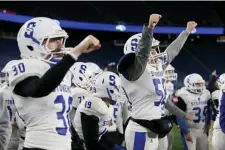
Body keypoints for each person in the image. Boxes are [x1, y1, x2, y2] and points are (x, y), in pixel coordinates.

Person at [4, 17, 100, 150]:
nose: (60, 45)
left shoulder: (62, 72)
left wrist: (76, 144)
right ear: (32, 45)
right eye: (53, 40)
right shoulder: (23, 66)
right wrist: (75, 53)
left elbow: (62, 115)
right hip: (37, 146)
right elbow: (40, 88)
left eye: (60, 40)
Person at [117, 13, 196, 150]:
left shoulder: (156, 66)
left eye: (154, 50)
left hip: (154, 127)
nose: (154, 54)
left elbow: (172, 51)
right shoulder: (133, 73)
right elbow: (142, 55)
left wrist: (186, 32)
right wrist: (149, 28)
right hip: (139, 130)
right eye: (151, 50)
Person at [74, 71, 126, 150]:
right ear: (109, 89)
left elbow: (101, 138)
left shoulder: (106, 106)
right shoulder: (94, 104)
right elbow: (91, 144)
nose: (119, 92)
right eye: (117, 88)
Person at [176, 73, 211, 150]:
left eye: (201, 84)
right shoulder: (183, 94)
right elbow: (179, 115)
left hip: (202, 129)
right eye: (197, 84)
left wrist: (208, 124)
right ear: (188, 84)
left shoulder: (206, 93)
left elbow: (209, 110)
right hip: (190, 129)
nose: (200, 86)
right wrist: (186, 131)